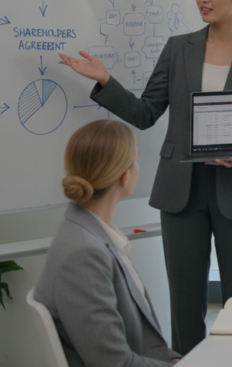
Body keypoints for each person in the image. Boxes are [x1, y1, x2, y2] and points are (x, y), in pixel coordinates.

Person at [58, 0, 232, 355]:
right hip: (182, 192)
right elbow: (145, 113)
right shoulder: (179, 48)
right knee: (184, 307)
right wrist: (106, 81)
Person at [35, 120, 180, 367]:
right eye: (136, 159)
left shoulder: (92, 234)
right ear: (125, 177)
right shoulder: (83, 255)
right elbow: (113, 364)